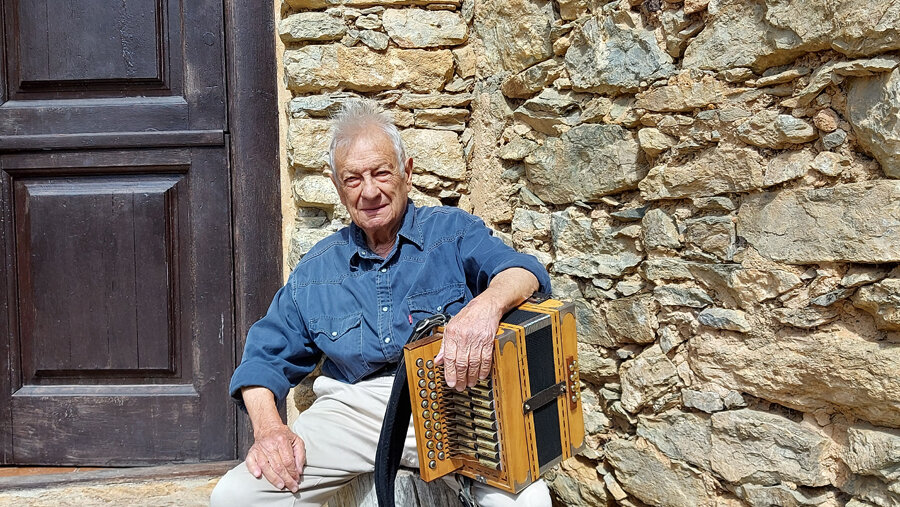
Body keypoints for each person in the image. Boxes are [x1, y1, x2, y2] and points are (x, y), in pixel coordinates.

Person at [210, 99, 553, 506]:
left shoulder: (452, 232)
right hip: (352, 413)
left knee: (527, 501)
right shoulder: (317, 269)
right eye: (353, 179)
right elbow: (262, 360)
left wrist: (485, 307)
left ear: (406, 173)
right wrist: (270, 430)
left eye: (381, 173)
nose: (369, 191)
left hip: (453, 407)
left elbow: (525, 272)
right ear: (337, 188)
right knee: (236, 496)